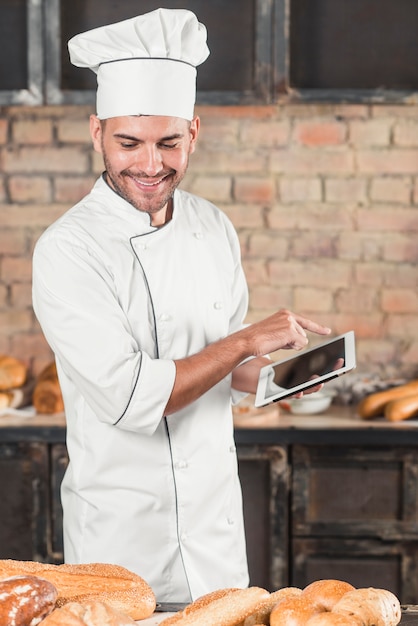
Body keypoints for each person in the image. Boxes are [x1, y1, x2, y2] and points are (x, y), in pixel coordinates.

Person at [32, 8, 331, 603]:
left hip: (216, 547)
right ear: (98, 135)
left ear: (193, 133)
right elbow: (135, 397)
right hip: (122, 550)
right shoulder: (68, 249)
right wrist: (246, 340)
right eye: (129, 143)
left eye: (169, 142)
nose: (150, 165)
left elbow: (226, 368)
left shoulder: (212, 227)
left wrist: (281, 378)